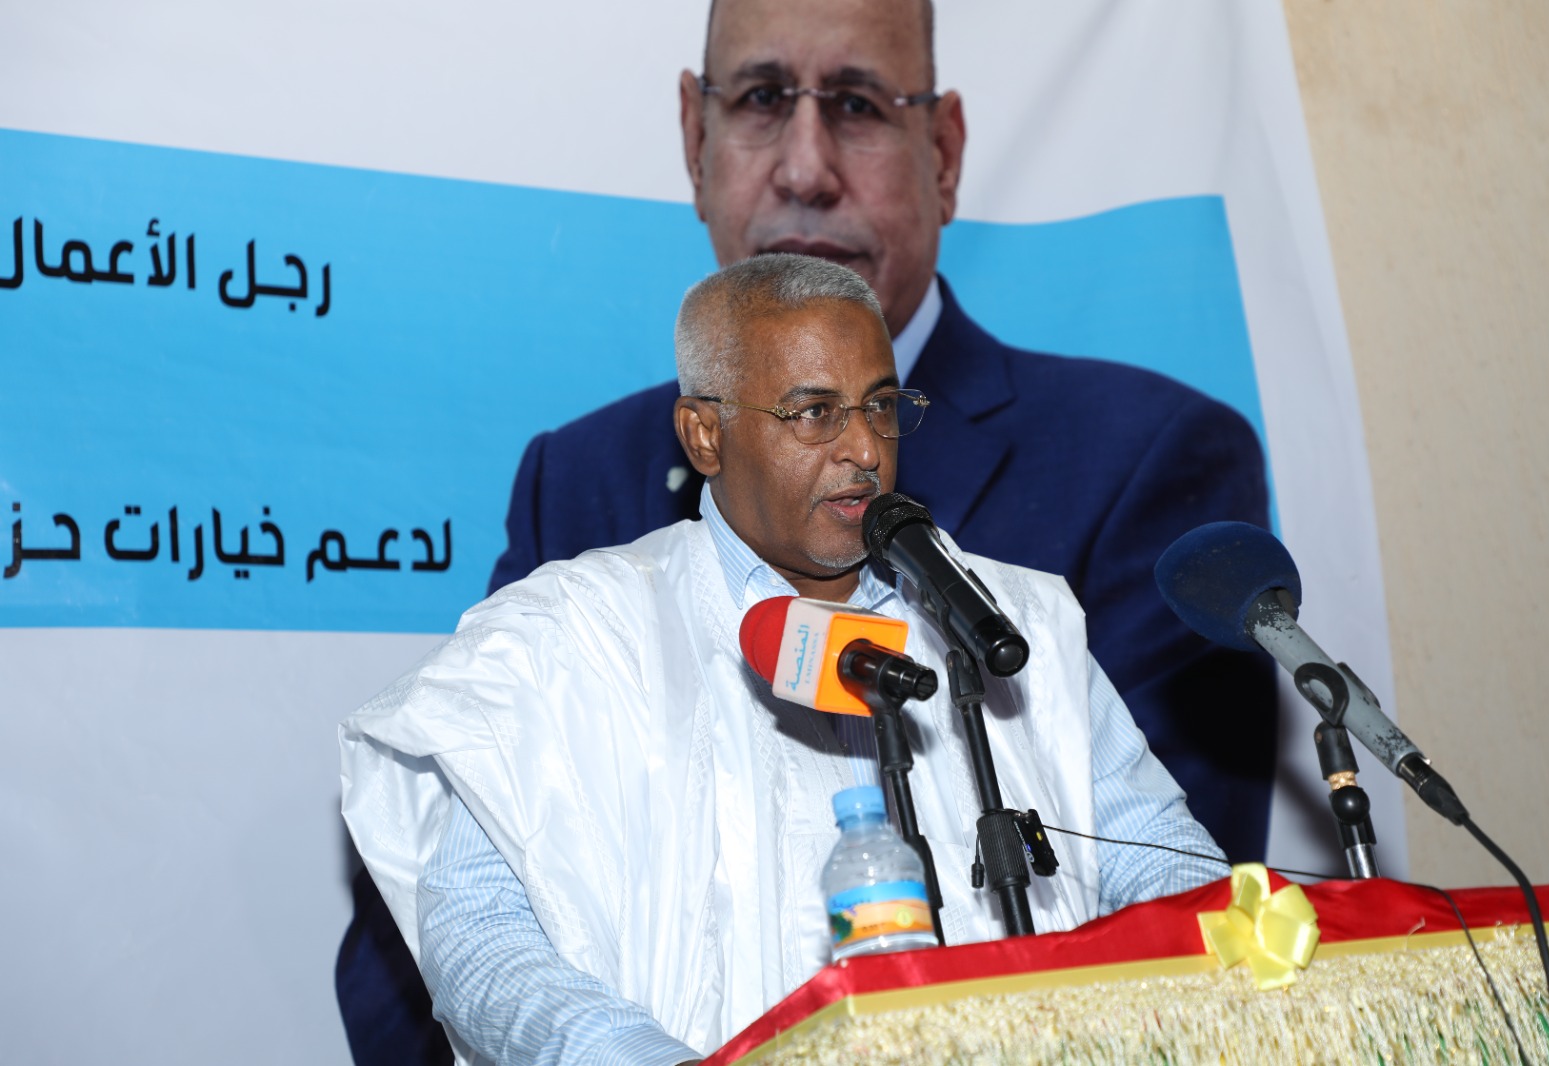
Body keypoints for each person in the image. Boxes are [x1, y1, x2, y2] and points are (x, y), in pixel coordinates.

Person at [338, 0, 1275, 1058]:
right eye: (813, 413)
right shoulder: (571, 593)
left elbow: (1170, 882)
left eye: (860, 105)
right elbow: (460, 935)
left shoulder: (1039, 595)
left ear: (945, 150)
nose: (863, 448)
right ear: (704, 435)